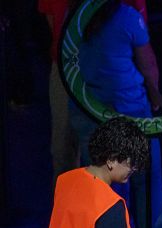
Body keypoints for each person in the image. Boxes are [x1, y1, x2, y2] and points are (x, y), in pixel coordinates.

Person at [69, 0, 162, 228]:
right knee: (146, 179)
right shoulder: (127, 16)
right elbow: (147, 63)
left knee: (103, 185)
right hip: (130, 111)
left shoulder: (76, 16)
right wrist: (155, 95)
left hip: (88, 108)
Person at [37, 0, 148, 179]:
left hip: (103, 72)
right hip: (71, 68)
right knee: (66, 147)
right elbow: (53, 21)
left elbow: (138, 31)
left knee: (110, 156)